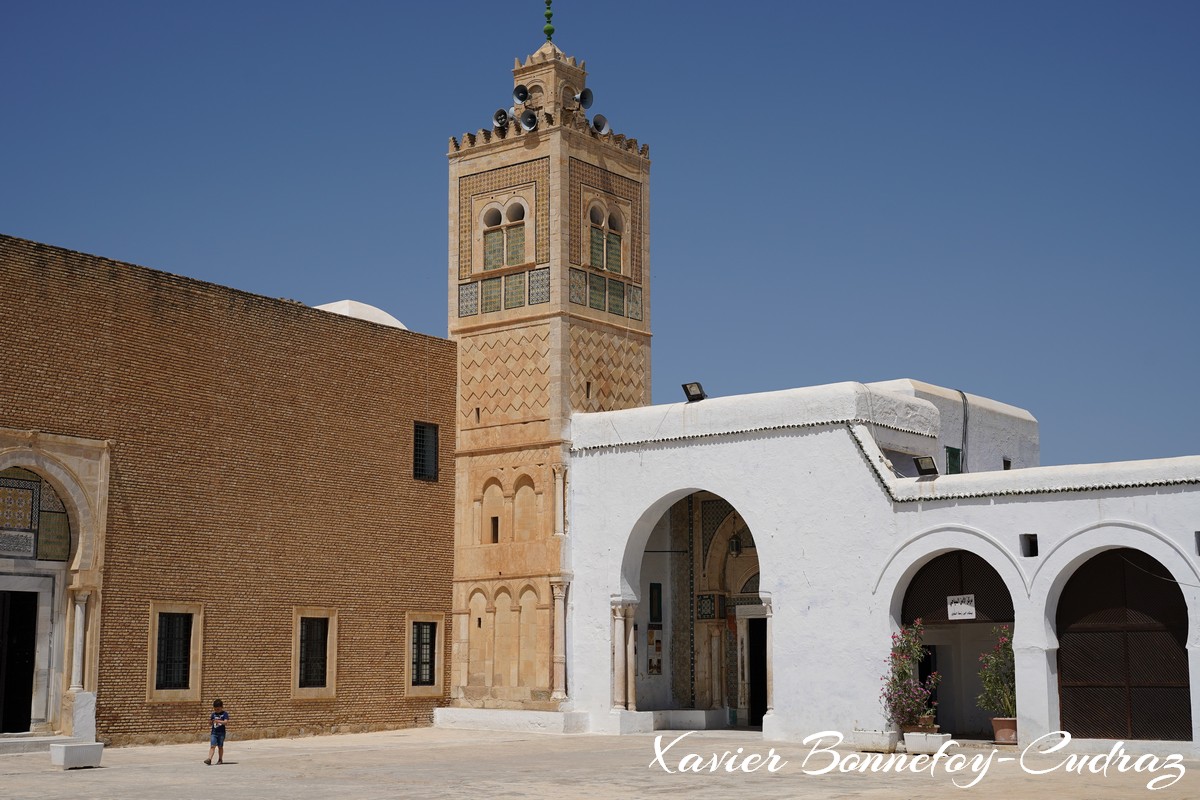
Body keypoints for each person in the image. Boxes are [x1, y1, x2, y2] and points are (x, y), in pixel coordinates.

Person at [204, 698, 229, 765]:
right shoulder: (213, 714)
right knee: (212, 746)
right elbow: (211, 722)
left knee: (220, 746)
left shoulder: (225, 714)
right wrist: (210, 722)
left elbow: (226, 722)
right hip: (214, 732)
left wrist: (219, 721)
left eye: (218, 709)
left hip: (221, 733)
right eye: (215, 709)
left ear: (221, 707)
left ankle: (220, 759)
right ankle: (209, 759)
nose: (216, 711)